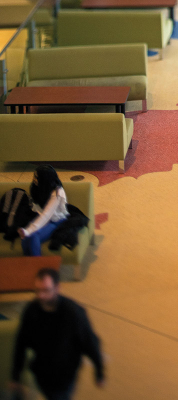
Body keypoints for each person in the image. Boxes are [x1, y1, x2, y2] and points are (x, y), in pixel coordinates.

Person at [9, 268, 105, 400]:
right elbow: (21, 344)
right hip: (42, 373)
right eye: (37, 290)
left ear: (57, 288)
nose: (40, 295)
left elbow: (90, 342)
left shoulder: (73, 313)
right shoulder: (31, 311)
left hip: (64, 376)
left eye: (46, 290)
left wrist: (99, 372)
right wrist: (15, 376)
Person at [18, 165, 68, 257]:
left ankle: (38, 267)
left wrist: (28, 231)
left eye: (37, 177)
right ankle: (28, 265)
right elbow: (38, 210)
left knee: (34, 236)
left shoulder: (57, 192)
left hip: (56, 221)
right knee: (25, 240)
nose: (34, 179)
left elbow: (46, 215)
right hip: (42, 218)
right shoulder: (37, 188)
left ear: (45, 179)